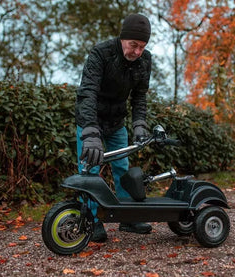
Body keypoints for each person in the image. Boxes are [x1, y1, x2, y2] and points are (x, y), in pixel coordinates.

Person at [75, 13, 153, 242]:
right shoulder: (101, 54)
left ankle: (126, 217)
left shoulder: (145, 61)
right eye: (133, 45)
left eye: (142, 46)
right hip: (91, 122)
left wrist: (139, 124)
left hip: (117, 122)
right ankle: (92, 220)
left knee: (122, 169)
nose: (137, 52)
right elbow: (87, 92)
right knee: (89, 171)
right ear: (122, 39)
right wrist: (90, 132)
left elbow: (139, 97)